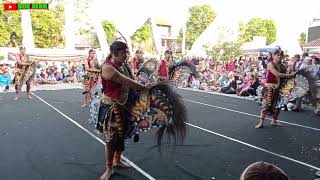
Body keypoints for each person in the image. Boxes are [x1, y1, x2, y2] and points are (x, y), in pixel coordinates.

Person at [97, 41, 151, 180]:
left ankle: (117, 160)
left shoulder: (124, 65)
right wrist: (143, 88)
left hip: (124, 105)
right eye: (124, 53)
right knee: (111, 139)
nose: (127, 55)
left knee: (122, 135)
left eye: (127, 53)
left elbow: (132, 80)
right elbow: (127, 81)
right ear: (115, 53)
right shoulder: (108, 68)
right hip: (111, 108)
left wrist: (144, 85)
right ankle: (109, 168)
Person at [255, 49, 296, 128]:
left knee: (278, 105)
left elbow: (285, 77)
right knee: (265, 105)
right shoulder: (270, 64)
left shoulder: (283, 66)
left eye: (281, 55)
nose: (279, 56)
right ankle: (261, 123)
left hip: (279, 89)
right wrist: (290, 75)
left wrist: (292, 76)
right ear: (273, 56)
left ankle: (274, 121)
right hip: (269, 88)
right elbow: (277, 74)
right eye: (278, 55)